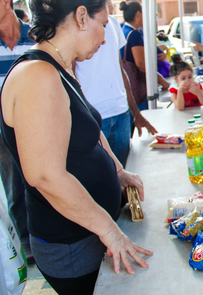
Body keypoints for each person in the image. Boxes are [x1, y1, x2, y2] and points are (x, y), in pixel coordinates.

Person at [0, 1, 153, 294]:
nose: (106, 38)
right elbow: (44, 176)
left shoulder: (61, 68)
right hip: (70, 245)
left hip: (88, 234)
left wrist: (118, 170)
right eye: (104, 25)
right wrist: (110, 231)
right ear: (81, 16)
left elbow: (89, 128)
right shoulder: (37, 76)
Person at [75, 0, 157, 167]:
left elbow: (120, 70)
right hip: (94, 117)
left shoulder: (112, 24)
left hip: (121, 113)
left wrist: (135, 113)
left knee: (125, 173)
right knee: (100, 177)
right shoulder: (75, 29)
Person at [0, 0, 35, 263]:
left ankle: (41, 235)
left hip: (37, 126)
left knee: (40, 181)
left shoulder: (34, 36)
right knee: (14, 187)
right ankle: (25, 241)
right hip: (3, 130)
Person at [119, 1, 169, 131]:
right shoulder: (134, 34)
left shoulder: (124, 29)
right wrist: (161, 80)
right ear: (138, 14)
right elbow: (141, 64)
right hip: (138, 88)